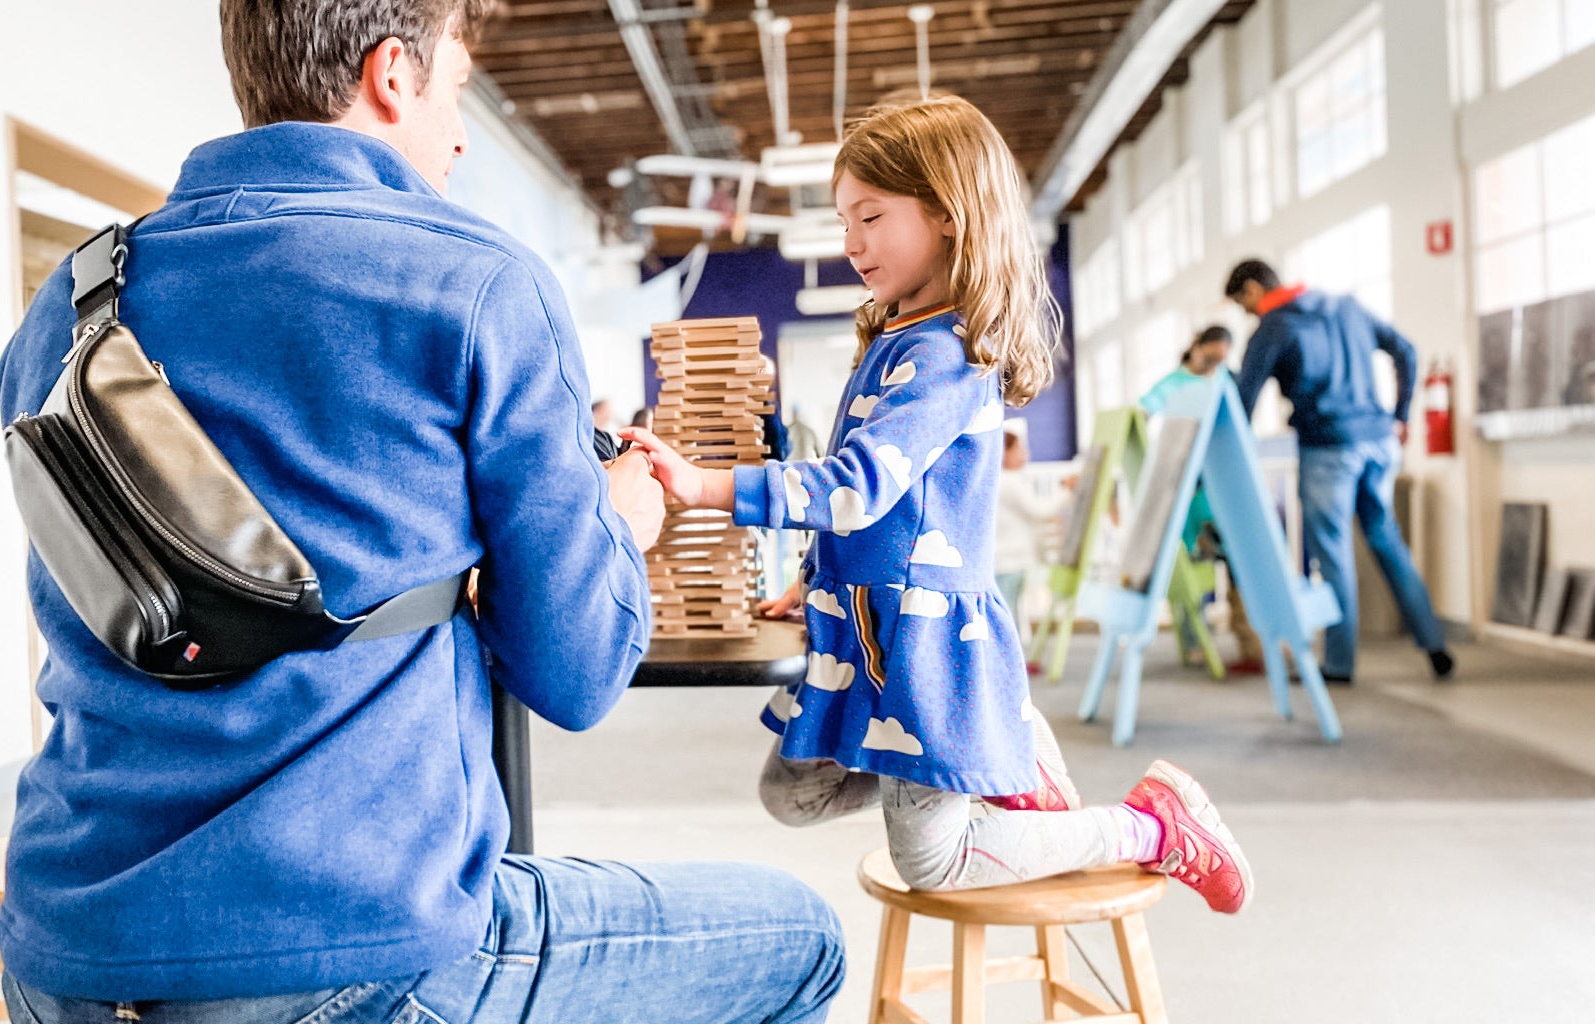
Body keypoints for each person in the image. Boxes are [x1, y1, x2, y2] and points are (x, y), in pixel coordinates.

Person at [0, 4, 845, 1023]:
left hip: (63, 947)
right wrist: (614, 522)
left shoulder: (77, 299)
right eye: (457, 92)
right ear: (392, 74)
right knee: (801, 938)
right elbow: (572, 678)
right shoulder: (472, 280)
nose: (460, 134)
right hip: (345, 943)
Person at [624, 95, 1253, 913]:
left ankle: (1150, 829)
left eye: (870, 217)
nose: (850, 243)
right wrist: (812, 575)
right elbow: (880, 501)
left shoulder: (949, 349)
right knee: (791, 792)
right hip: (862, 628)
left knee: (933, 863)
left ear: (949, 215)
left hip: (923, 639)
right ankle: (1001, 757)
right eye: (845, 219)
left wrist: (707, 486)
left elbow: (853, 485)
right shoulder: (896, 333)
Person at [1226, 259, 1456, 683]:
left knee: (1332, 554)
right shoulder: (1347, 307)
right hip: (1379, 442)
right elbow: (1405, 349)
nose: (1248, 314)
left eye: (1244, 304)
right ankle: (1435, 646)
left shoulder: (1273, 329)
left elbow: (1243, 401)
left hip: (1328, 447)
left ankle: (1339, 664)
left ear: (1255, 290)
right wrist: (1400, 416)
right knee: (1387, 540)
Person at [1140, 325, 1263, 674]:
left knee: (1240, 567)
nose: (1213, 366)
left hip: (1225, 488)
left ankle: (1250, 645)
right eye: (1209, 357)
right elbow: (1144, 411)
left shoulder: (1226, 381)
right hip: (1190, 494)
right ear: (1195, 346)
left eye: (1220, 360)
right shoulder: (1171, 385)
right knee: (1192, 569)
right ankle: (1195, 642)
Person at [993, 427, 1067, 629]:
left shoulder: (999, 481)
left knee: (1010, 606)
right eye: (1018, 449)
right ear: (1003, 452)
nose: (1025, 455)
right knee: (1009, 609)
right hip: (1009, 560)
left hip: (1004, 558)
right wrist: (1064, 489)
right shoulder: (1008, 482)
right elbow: (1039, 509)